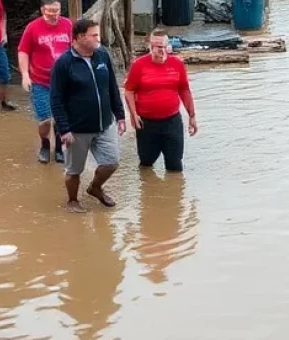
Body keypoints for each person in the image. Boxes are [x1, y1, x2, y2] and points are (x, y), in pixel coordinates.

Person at [49, 18, 126, 213]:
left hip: (104, 124)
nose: (98, 39)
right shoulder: (64, 63)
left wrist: (120, 115)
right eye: (94, 35)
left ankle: (95, 187)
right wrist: (64, 129)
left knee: (112, 162)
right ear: (81, 37)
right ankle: (73, 200)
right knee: (74, 171)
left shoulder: (102, 56)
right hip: (76, 129)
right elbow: (56, 100)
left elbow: (111, 87)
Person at [124, 27, 197, 173]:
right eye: (158, 48)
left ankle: (174, 194)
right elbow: (129, 91)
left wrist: (192, 115)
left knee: (175, 165)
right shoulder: (139, 65)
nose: (162, 51)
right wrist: (133, 114)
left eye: (164, 47)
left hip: (172, 121)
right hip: (147, 123)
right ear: (150, 47)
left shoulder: (177, 64)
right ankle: (147, 192)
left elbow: (184, 90)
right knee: (146, 163)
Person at [17, 0, 73, 164]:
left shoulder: (68, 25)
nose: (53, 14)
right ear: (42, 10)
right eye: (49, 10)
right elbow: (23, 51)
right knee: (44, 120)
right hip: (40, 81)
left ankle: (58, 148)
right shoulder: (32, 28)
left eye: (56, 10)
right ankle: (44, 144)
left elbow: (76, 49)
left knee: (60, 117)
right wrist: (25, 75)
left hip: (63, 81)